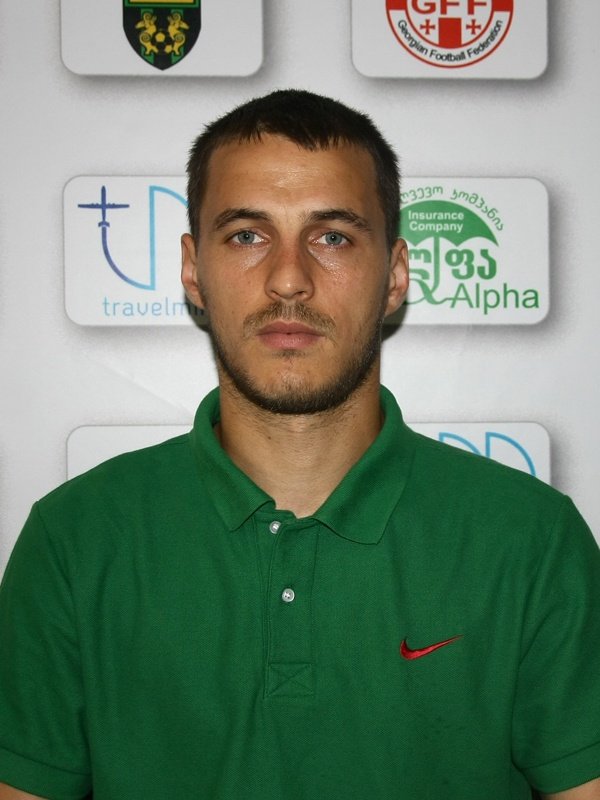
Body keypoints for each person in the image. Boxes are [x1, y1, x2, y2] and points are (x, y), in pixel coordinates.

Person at [0, 89, 599, 800]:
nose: (289, 278)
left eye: (333, 237)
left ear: (395, 276)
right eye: (246, 236)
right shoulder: (74, 541)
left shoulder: (530, 539)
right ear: (193, 270)